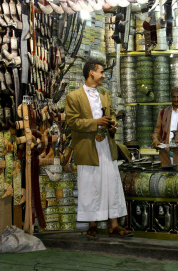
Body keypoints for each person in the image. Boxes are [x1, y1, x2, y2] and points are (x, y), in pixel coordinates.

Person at [65, 59, 132, 239]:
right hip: (87, 148)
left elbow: (109, 115)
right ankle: (92, 225)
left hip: (106, 147)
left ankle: (114, 225)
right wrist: (95, 123)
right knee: (90, 186)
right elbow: (72, 122)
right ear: (91, 73)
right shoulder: (74, 97)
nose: (103, 75)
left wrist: (112, 124)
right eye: (101, 72)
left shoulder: (105, 93)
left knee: (112, 184)